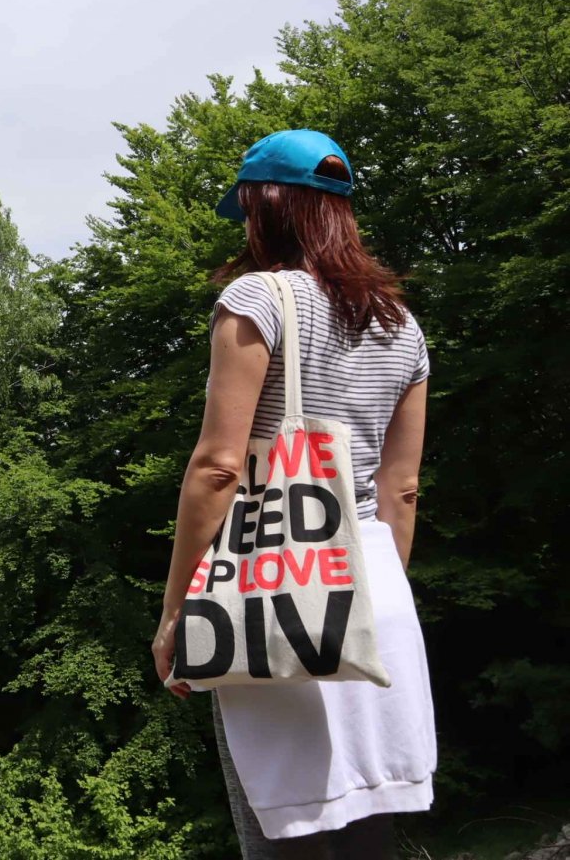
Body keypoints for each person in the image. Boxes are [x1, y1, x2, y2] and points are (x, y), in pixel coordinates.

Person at [150, 130, 436, 859]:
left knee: (284, 828)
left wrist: (178, 606)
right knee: (369, 827)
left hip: (273, 581)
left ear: (265, 206)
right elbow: (399, 488)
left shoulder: (256, 297)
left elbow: (218, 465)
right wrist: (369, 595)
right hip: (376, 594)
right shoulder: (402, 325)